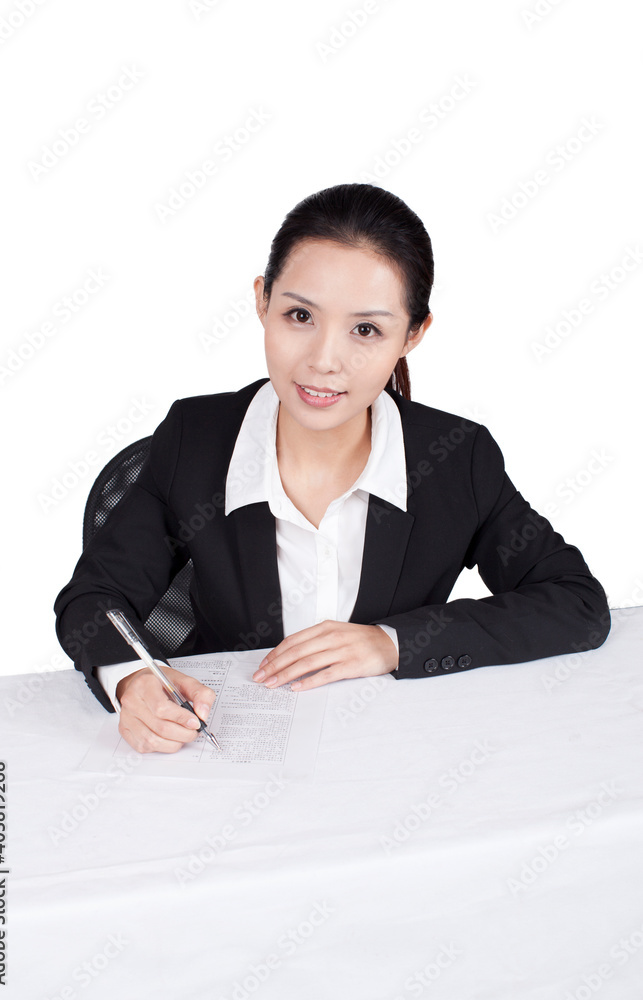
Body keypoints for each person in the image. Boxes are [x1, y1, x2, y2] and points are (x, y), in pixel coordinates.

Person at [54, 182, 611, 755]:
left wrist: (392, 643)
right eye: (300, 315)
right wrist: (133, 680)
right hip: (226, 753)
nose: (323, 360)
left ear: (413, 335)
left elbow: (574, 602)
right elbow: (93, 600)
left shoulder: (456, 458)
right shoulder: (193, 439)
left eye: (366, 329)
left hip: (392, 758)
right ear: (261, 301)